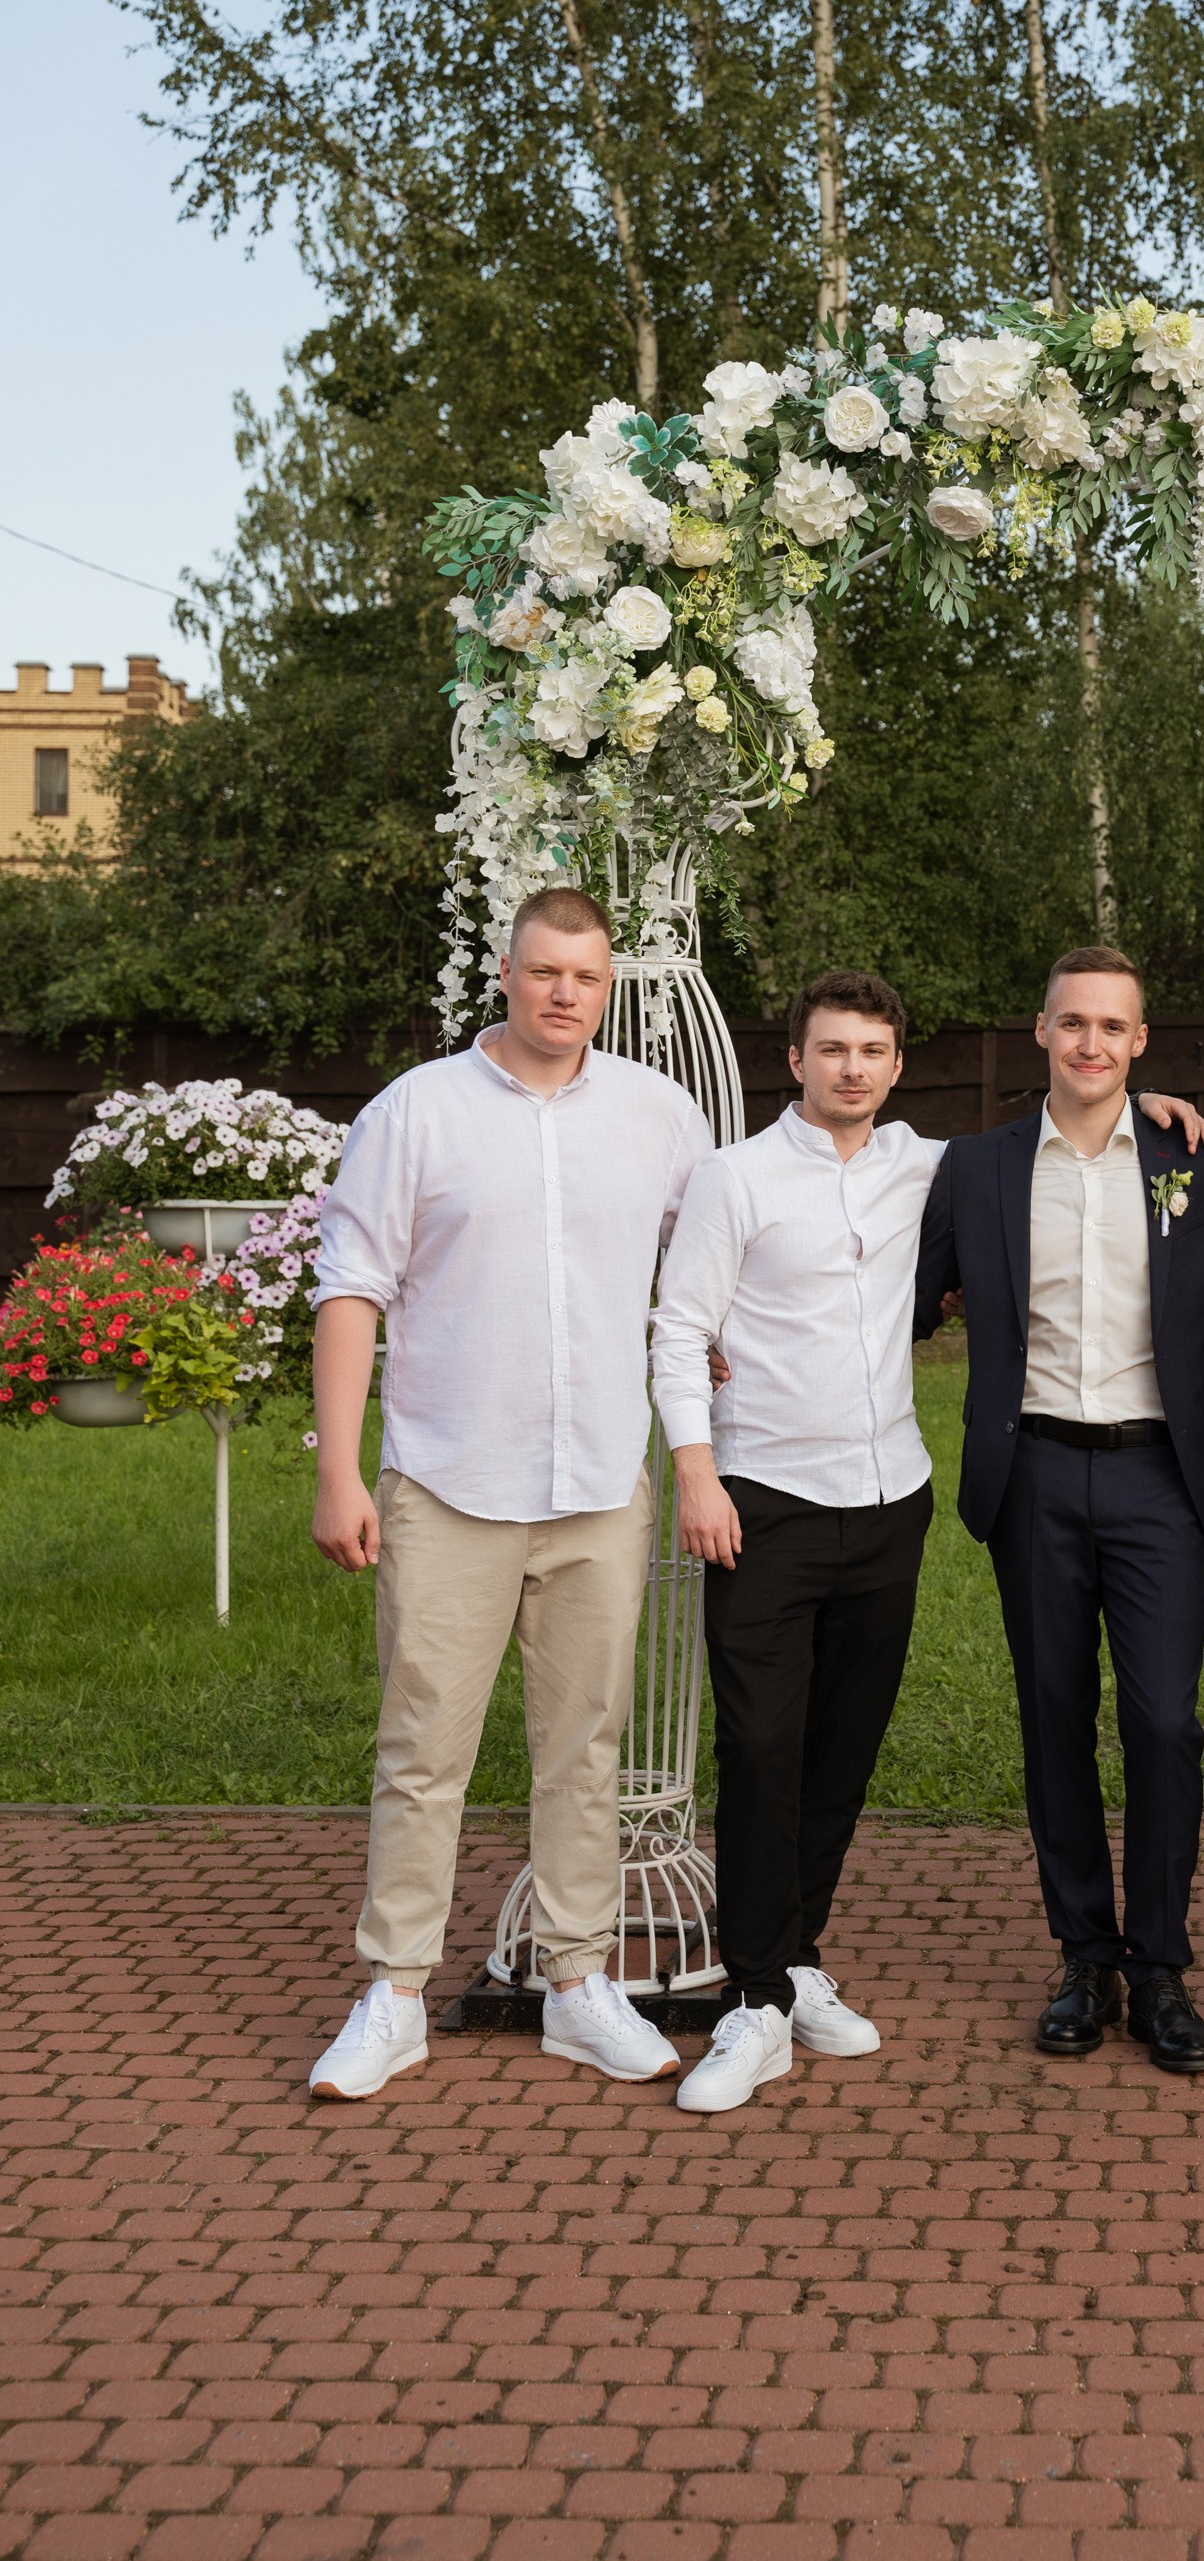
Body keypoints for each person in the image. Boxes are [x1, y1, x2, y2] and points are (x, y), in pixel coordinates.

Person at [655, 968, 1204, 2114]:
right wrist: (697, 1450)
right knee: (808, 1738)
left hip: (1000, 1489)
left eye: (871, 1050)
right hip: (875, 1488)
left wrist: (1184, 1112)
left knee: (1146, 1722)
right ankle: (783, 1989)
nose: (850, 1066)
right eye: (830, 1048)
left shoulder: (1145, 1158)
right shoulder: (906, 1168)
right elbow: (690, 1313)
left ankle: (1146, 1965)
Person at [306, 886, 712, 2101]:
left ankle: (579, 1981)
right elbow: (348, 1287)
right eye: (542, 971)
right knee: (422, 1747)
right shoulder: (416, 1110)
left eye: (584, 978)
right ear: (505, 967)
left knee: (582, 1746)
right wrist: (337, 1470)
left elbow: (724, 1248)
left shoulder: (658, 1114)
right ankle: (391, 1993)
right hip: (446, 1478)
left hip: (598, 1480)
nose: (562, 995)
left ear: (607, 985)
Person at [913, 946, 1204, 2075]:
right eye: (1071, 1023)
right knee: (1053, 1718)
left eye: (1113, 1025)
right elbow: (895, 1302)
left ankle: (1158, 1965)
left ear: (1140, 1041)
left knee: (1160, 1724)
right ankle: (1082, 1954)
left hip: (1158, 1477)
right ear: (1041, 1031)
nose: (1091, 1042)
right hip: (1035, 1473)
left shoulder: (1198, 1158)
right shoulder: (980, 1167)